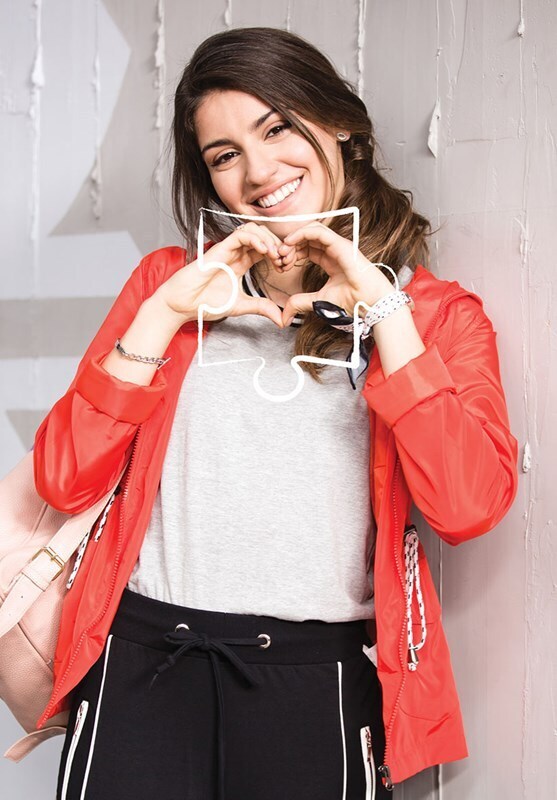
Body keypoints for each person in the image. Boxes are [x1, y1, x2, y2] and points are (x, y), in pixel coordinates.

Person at [31, 27, 519, 800]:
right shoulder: (168, 285)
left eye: (277, 128)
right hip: (141, 666)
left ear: (341, 125)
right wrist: (160, 317)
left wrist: (383, 313)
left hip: (313, 681)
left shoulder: (435, 317)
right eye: (224, 155)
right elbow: (64, 479)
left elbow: (466, 506)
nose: (258, 173)